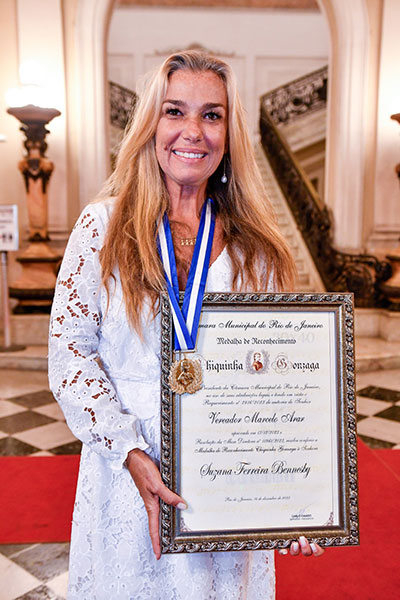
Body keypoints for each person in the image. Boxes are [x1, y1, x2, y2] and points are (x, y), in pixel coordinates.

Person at [49, 50, 324, 600]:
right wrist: (129, 451)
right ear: (152, 123)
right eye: (175, 111)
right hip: (127, 472)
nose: (192, 132)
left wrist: (297, 496)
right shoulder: (102, 228)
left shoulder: (256, 249)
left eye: (212, 115)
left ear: (229, 133)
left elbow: (279, 377)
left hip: (228, 478)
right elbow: (70, 353)